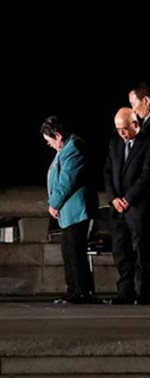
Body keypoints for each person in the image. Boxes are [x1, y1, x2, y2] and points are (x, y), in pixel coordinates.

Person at [41, 116, 96, 304]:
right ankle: (72, 289)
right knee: (68, 250)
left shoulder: (73, 149)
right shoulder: (64, 149)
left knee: (75, 250)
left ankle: (82, 291)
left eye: (49, 140)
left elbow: (67, 181)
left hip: (76, 209)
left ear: (57, 135)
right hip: (68, 211)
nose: (49, 144)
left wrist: (54, 203)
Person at [104, 108, 150, 304]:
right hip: (118, 208)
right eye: (118, 129)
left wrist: (128, 198)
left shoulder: (147, 143)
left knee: (141, 250)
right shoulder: (114, 144)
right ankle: (124, 293)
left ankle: (143, 293)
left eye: (124, 129)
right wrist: (113, 198)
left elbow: (147, 174)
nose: (121, 133)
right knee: (120, 250)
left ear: (135, 125)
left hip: (137, 207)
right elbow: (107, 172)